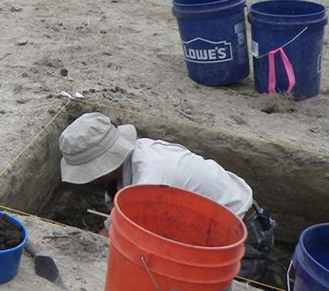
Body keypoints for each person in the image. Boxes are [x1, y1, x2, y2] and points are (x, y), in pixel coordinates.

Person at [58, 113, 277, 281]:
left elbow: (118, 238)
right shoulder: (140, 153)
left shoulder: (150, 180)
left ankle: (270, 272)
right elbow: (115, 225)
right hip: (210, 231)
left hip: (241, 241)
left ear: (104, 164)